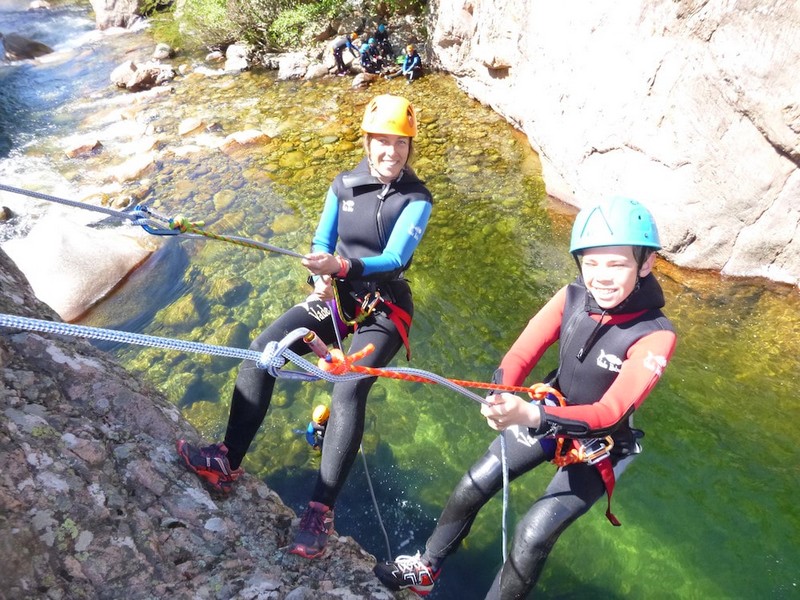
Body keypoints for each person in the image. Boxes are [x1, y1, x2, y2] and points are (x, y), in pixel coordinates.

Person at [374, 197, 677, 598]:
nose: (602, 276)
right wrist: (501, 394)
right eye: (592, 262)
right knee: (473, 483)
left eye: (617, 263)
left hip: (601, 445)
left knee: (532, 534)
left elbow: (610, 412)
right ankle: (427, 569)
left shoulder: (655, 333)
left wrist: (530, 416)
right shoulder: (570, 298)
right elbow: (520, 355)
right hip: (548, 410)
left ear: (646, 264)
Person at [176, 94, 433, 560]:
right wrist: (320, 274)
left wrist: (338, 265)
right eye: (382, 142)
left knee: (348, 387)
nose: (391, 152)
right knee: (264, 350)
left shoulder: (417, 199)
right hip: (337, 297)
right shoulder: (345, 184)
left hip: (383, 309)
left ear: (410, 147)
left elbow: (395, 258)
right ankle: (227, 460)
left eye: (400, 143)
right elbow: (321, 237)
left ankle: (319, 510)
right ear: (368, 141)